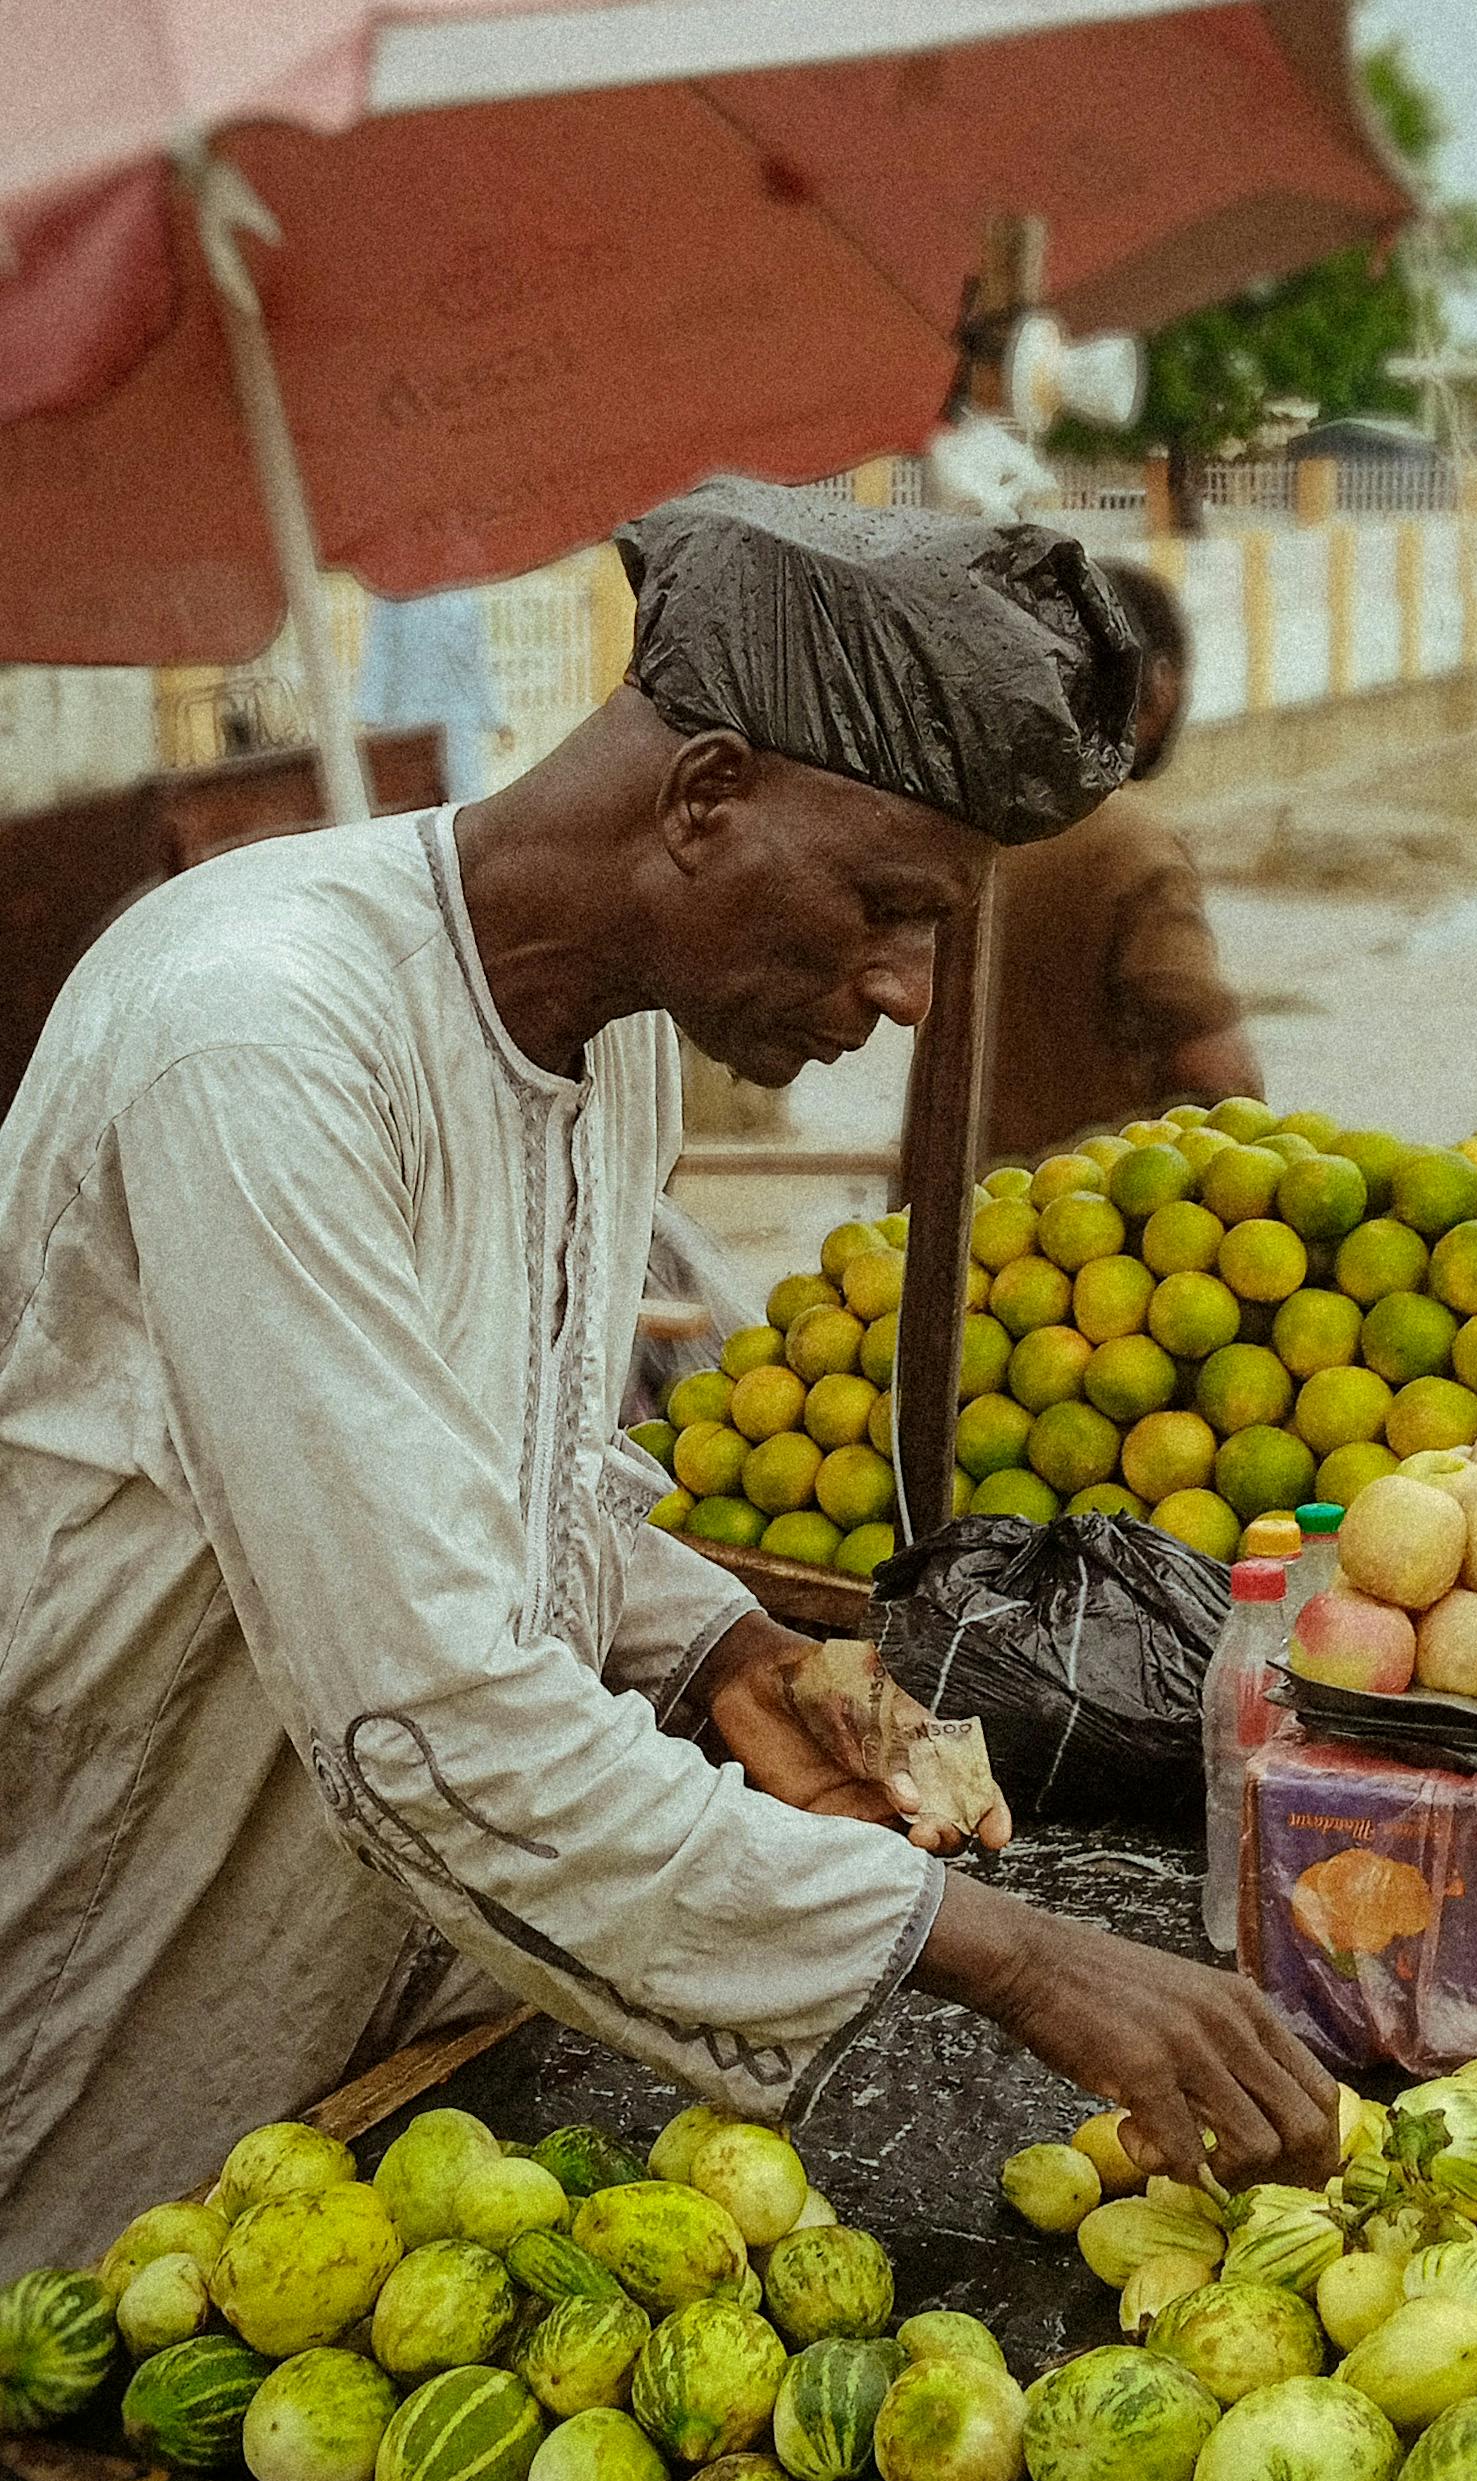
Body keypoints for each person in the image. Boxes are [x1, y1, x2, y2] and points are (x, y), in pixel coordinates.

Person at [0, 482, 1333, 2265]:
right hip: (115, 2057)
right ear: (709, 796)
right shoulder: (256, 1040)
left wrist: (736, 1650)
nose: (912, 993)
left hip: (392, 2060)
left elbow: (514, 1471)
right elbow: (436, 1721)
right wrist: (1008, 1954)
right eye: (888, 905)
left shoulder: (610, 1038)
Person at [982, 557, 1262, 1161]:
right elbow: (1228, 1086)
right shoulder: (1129, 846)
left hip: (948, 1216)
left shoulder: (980, 823)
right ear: (1159, 684)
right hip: (1072, 1232)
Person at [356, 588, 512, 801]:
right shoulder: (392, 595)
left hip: (458, 722)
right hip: (406, 720)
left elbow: (477, 665)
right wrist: (371, 717)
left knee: (464, 800)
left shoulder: (465, 597)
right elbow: (379, 656)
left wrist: (497, 721)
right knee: (411, 801)